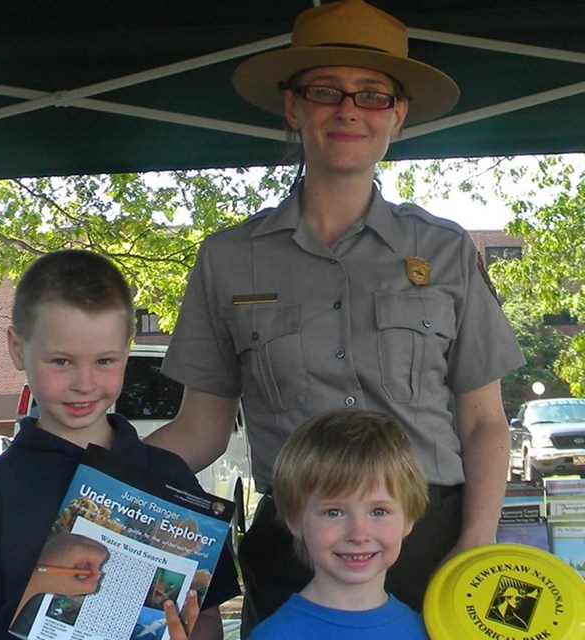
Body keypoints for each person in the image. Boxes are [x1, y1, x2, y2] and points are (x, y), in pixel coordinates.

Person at [145, 0, 525, 633]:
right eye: (326, 91)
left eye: (372, 95)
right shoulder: (228, 260)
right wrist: (88, 471)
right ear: (293, 106)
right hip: (296, 553)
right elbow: (200, 431)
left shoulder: (446, 250)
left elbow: (484, 422)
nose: (348, 109)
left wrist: (475, 547)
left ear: (397, 115)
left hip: (434, 544)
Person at [0, 249, 239, 640]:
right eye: (61, 362)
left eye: (104, 361)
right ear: (18, 348)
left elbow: (206, 618)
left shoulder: (170, 477)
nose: (84, 383)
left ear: (127, 348)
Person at [248, 409, 429, 639]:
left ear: (409, 519)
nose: (358, 534)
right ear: (294, 520)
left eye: (379, 511)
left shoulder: (434, 630)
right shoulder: (273, 636)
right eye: (334, 512)